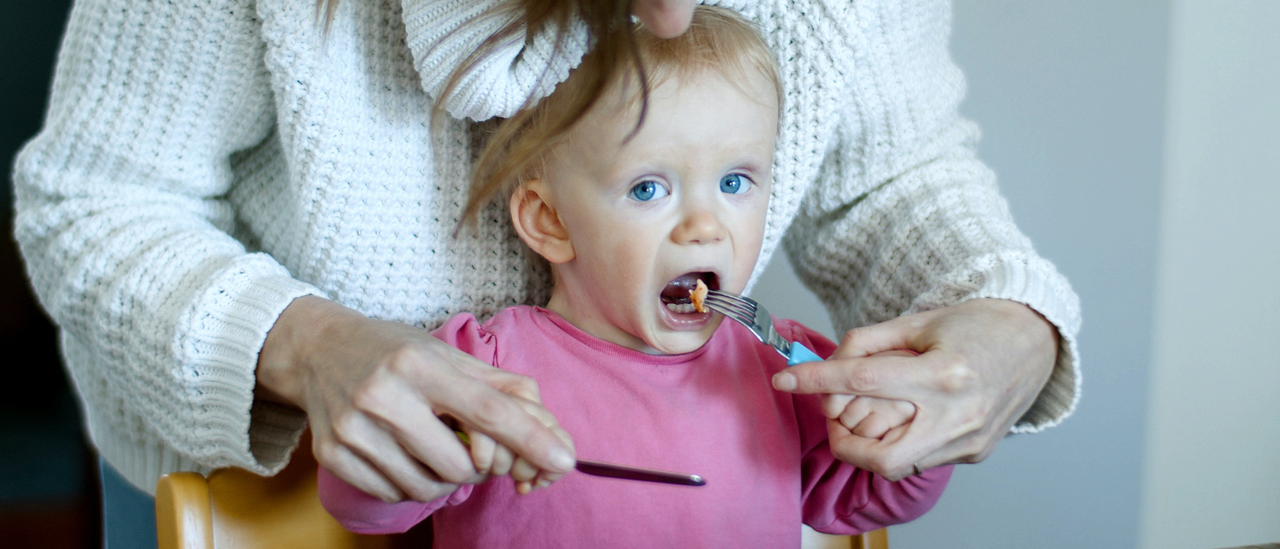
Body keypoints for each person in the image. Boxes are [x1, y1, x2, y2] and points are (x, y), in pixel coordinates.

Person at [11, 0, 1079, 545]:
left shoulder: (770, 371)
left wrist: (1008, 331)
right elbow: (96, 200)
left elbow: (896, 175)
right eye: (654, 188)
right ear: (540, 215)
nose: (673, 17)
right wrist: (306, 347)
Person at [316, 9, 950, 546]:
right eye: (649, 187)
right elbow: (367, 505)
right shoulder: (483, 368)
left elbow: (868, 497)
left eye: (734, 182)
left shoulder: (787, 368)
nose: (705, 225)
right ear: (550, 221)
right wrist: (400, 460)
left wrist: (910, 431)